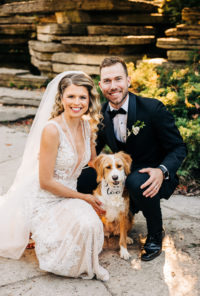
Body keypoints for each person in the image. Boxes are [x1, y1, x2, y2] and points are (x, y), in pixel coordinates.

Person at [0, 71, 109, 281]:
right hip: (46, 198)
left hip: (68, 195)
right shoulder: (52, 130)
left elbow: (94, 162)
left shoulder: (87, 126)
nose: (76, 102)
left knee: (91, 226)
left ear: (89, 100)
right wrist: (85, 197)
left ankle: (87, 262)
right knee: (84, 228)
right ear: (61, 98)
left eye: (82, 97)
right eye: (71, 96)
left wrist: (116, 174)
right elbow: (46, 182)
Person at [77, 56, 187, 261]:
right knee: (82, 178)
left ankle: (155, 234)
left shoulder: (153, 109)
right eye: (107, 81)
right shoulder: (100, 113)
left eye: (118, 79)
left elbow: (179, 148)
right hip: (119, 173)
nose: (113, 86)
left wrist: (162, 170)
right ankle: (92, 225)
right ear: (101, 86)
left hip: (152, 175)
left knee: (137, 181)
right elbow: (93, 150)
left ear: (128, 81)